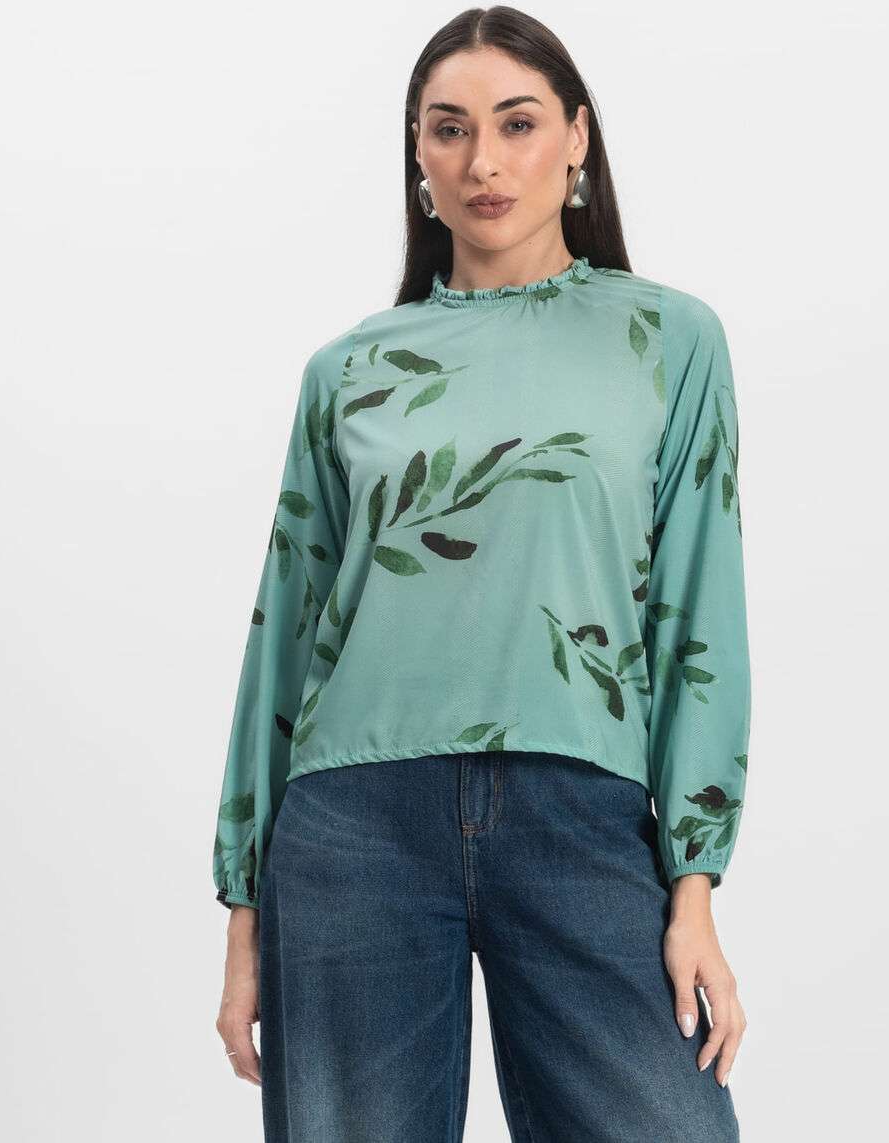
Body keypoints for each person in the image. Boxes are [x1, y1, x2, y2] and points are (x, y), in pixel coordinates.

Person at [213, 7, 751, 1140]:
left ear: (576, 137)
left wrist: (694, 885)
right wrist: (244, 911)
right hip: (353, 825)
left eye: (517, 123)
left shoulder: (669, 342)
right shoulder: (349, 372)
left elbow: (697, 616)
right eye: (449, 129)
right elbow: (286, 631)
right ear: (417, 155)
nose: (483, 162)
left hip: (582, 813)